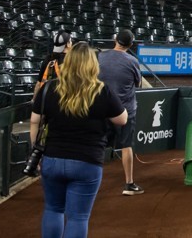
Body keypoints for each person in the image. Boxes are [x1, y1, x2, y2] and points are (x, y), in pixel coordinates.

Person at [30, 42, 128, 238]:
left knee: (53, 209)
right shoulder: (102, 90)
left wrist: (36, 150)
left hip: (53, 158)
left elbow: (34, 121)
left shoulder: (50, 88)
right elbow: (122, 119)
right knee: (78, 218)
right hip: (87, 161)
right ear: (92, 65)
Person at [97, 29, 145, 195]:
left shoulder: (100, 56)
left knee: (99, 146)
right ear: (130, 44)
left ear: (115, 40)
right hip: (125, 111)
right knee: (126, 147)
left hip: (102, 109)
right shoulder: (132, 61)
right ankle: (129, 184)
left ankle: (92, 182)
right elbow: (138, 83)